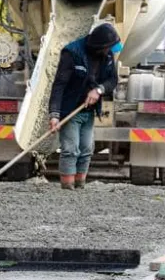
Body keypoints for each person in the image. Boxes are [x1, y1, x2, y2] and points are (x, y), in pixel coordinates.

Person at [48, 23, 121, 190]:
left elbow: (112, 80)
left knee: (87, 149)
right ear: (100, 45)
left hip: (88, 110)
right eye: (108, 47)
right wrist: (54, 114)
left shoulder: (107, 55)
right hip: (71, 109)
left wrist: (99, 90)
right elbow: (59, 85)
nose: (110, 51)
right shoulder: (72, 53)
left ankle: (80, 185)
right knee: (70, 149)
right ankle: (67, 187)